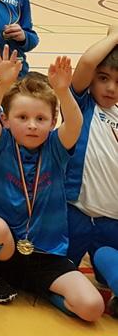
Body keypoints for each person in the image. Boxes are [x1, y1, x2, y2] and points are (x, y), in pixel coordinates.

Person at [0, 49, 103, 322]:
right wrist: (2, 84)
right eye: (22, 117)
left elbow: (75, 122)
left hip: (46, 255)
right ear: (6, 119)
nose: (32, 126)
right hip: (4, 252)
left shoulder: (56, 147)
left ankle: (39, 288)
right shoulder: (1, 143)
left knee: (92, 307)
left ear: (52, 122)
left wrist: (63, 92)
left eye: (41, 119)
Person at [65, 26, 118, 316]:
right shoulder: (83, 106)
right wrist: (114, 36)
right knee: (62, 269)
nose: (110, 88)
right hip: (76, 212)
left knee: (108, 262)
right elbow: (86, 64)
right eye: (103, 79)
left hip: (113, 220)